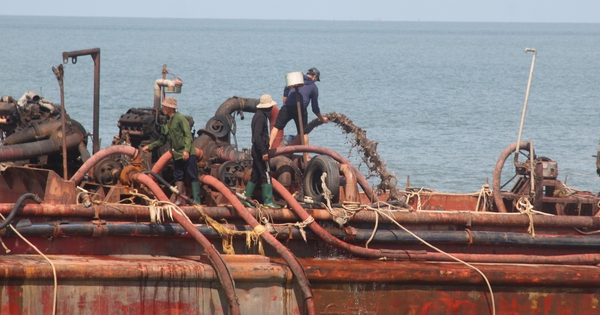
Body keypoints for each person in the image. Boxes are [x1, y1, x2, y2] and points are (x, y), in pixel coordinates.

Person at [142, 97, 201, 205]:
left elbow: (188, 135)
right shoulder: (166, 121)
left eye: (165, 107)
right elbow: (162, 140)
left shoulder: (180, 118)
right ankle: (180, 199)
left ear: (171, 108)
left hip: (186, 153)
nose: (163, 108)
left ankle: (197, 201)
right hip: (176, 154)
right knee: (179, 176)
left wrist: (187, 151)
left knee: (192, 175)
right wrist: (150, 147)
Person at [268, 67, 328, 151]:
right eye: (316, 79)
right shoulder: (314, 87)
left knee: (277, 127)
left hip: (287, 107)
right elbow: (315, 108)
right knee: (304, 132)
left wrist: (285, 107)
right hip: (301, 108)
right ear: (314, 76)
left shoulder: (293, 81)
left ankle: (269, 147)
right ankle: (306, 156)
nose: (315, 81)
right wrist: (322, 119)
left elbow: (285, 97)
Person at [243, 94, 281, 208]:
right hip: (260, 150)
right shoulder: (261, 118)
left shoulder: (258, 116)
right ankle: (268, 201)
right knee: (266, 174)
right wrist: (264, 151)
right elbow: (258, 136)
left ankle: (245, 197)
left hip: (256, 149)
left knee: (255, 175)